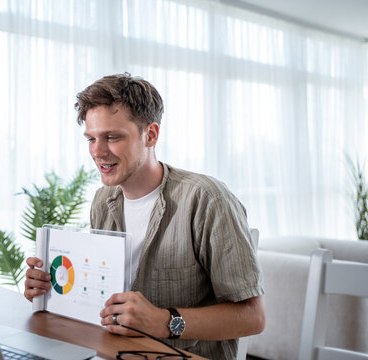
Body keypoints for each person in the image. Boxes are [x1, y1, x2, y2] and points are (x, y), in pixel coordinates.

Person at [24, 73, 265, 359]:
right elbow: (102, 294)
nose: (98, 152)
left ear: (150, 134)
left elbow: (253, 317)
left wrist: (165, 321)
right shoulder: (103, 201)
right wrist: (53, 289)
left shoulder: (206, 199)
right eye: (91, 138)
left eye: (112, 137)